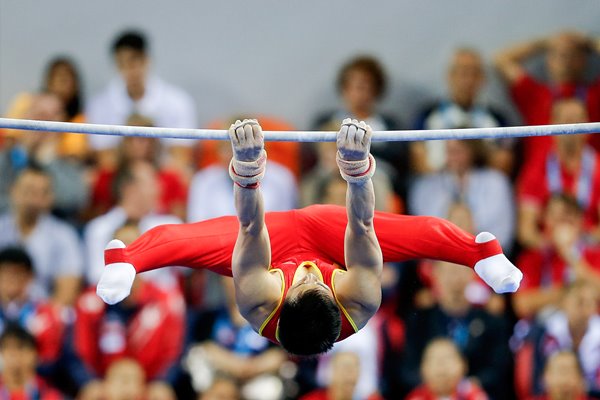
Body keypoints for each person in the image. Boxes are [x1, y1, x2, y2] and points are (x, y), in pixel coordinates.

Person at [97, 119, 522, 356]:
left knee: (186, 243)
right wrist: (358, 171)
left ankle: (126, 259)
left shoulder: (259, 300)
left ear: (283, 307)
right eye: (317, 281)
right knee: (414, 233)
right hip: (328, 236)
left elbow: (249, 226)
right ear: (335, 295)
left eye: (302, 284)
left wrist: (247, 172)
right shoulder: (358, 297)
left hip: (270, 246)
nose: (307, 275)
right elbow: (362, 225)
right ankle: (482, 251)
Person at [86, 30, 197, 172]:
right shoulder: (99, 105)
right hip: (121, 178)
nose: (128, 70)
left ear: (146, 60)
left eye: (133, 61)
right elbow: (104, 158)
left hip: (162, 176)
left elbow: (182, 155)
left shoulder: (178, 101)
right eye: (121, 63)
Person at [494, 31, 600, 159]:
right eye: (560, 54)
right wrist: (543, 43)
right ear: (548, 60)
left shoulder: (595, 93)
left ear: (584, 61)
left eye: (573, 54)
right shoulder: (534, 93)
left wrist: (588, 42)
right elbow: (501, 60)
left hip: (592, 174)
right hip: (540, 175)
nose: (567, 60)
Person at [411, 48, 511, 176]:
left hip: (483, 185)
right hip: (439, 182)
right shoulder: (427, 115)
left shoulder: (497, 118)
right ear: (450, 76)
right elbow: (418, 158)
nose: (468, 80)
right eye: (463, 73)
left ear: (483, 79)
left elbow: (503, 162)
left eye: (474, 73)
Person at [0, 165, 83, 305]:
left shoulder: (64, 236)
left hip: (41, 314)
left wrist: (43, 321)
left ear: (51, 198)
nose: (34, 199)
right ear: (13, 191)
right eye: (29, 191)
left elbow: (67, 291)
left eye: (42, 193)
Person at [405, 338, 488, 400]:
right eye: (434, 360)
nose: (442, 367)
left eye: (448, 358)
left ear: (464, 365)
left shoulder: (475, 396)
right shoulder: (416, 397)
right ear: (422, 368)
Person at [0, 324, 64, 399]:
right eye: (6, 348)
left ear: (35, 354)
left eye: (20, 348)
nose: (13, 354)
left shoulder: (49, 394)